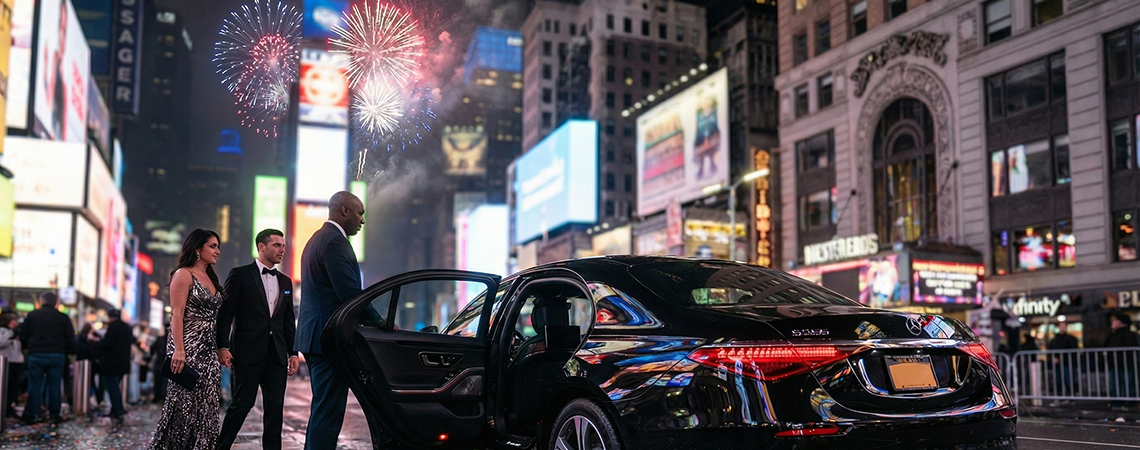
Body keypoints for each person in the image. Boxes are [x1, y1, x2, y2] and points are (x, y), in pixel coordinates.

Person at [294, 191, 366, 450]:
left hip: (314, 337)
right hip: (327, 340)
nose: (362, 221)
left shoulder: (316, 239)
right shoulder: (335, 242)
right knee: (328, 413)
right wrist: (382, 324)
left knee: (322, 410)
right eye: (360, 213)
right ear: (344, 211)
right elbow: (350, 295)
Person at [216, 228, 299, 450]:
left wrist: (293, 352)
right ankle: (220, 447)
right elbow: (226, 313)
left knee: (275, 411)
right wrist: (222, 346)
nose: (282, 249)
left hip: (277, 355)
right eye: (277, 245)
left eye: (283, 245)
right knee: (242, 405)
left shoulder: (286, 282)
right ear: (261, 247)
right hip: (247, 352)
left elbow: (287, 320)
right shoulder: (240, 275)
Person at [147, 229, 225, 449]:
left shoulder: (210, 277)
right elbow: (177, 315)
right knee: (183, 410)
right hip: (188, 351)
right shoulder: (183, 274)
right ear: (198, 249)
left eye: (218, 246)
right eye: (213, 246)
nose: (217, 251)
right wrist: (179, 350)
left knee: (208, 409)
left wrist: (220, 349)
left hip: (209, 352)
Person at [19, 292, 75, 424]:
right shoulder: (63, 318)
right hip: (57, 354)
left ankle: (34, 414)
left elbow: (23, 335)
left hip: (36, 353)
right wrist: (66, 352)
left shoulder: (32, 316)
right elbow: (70, 339)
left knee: (35, 385)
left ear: (41, 301)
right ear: (56, 303)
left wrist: (28, 347)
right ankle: (54, 414)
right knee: (54, 385)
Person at [97, 308, 133, 424]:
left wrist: (98, 342)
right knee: (115, 386)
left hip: (111, 363)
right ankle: (115, 408)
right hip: (123, 363)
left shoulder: (113, 328)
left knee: (112, 387)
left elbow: (107, 344)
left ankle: (118, 409)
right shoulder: (127, 328)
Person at [1104, 313, 1140, 411]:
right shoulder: (1114, 335)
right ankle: (1123, 402)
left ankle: (1125, 402)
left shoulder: (1128, 335)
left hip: (1126, 363)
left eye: (1115, 321)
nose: (1113, 323)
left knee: (1126, 383)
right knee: (1122, 383)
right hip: (1119, 364)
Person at [75, 323, 105, 414]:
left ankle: (94, 398)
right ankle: (93, 399)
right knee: (90, 382)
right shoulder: (83, 337)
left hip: (92, 363)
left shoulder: (94, 336)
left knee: (92, 382)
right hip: (86, 362)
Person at [0, 312, 25, 419]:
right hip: (6, 362)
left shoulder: (15, 332)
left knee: (15, 387)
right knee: (6, 386)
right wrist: (12, 335)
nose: (15, 323)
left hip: (17, 362)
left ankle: (10, 407)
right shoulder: (4, 331)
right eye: (12, 321)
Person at [1047, 323, 1080, 401]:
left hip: (1067, 363)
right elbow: (1051, 349)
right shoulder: (1055, 339)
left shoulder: (1070, 339)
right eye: (1061, 326)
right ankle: (1061, 397)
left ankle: (1071, 397)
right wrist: (1053, 358)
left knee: (1068, 380)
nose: (1062, 328)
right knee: (1059, 380)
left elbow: (1072, 350)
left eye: (1063, 326)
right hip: (1058, 364)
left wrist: (1059, 358)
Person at [149, 323, 169, 403]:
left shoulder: (159, 339)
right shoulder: (174, 339)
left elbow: (152, 349)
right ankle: (164, 397)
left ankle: (157, 396)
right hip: (168, 363)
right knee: (166, 381)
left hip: (159, 363)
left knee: (158, 380)